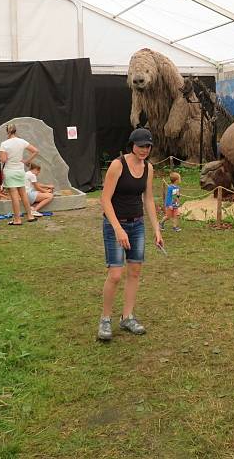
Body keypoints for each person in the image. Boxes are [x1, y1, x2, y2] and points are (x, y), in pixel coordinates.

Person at [97, 128, 163, 342]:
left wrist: (156, 229)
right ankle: (105, 319)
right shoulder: (118, 165)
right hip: (115, 225)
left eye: (147, 146)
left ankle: (127, 317)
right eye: (140, 146)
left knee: (134, 272)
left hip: (137, 225)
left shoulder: (148, 168)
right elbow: (105, 200)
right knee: (116, 275)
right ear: (132, 145)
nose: (144, 150)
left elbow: (149, 200)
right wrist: (117, 228)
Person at [0, 124, 39, 226]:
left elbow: (3, 160)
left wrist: (1, 157)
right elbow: (35, 151)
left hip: (10, 171)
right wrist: (26, 161)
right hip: (20, 171)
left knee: (14, 197)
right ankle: (30, 216)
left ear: (7, 132)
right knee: (23, 194)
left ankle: (17, 219)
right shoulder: (22, 141)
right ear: (15, 131)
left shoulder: (4, 144)